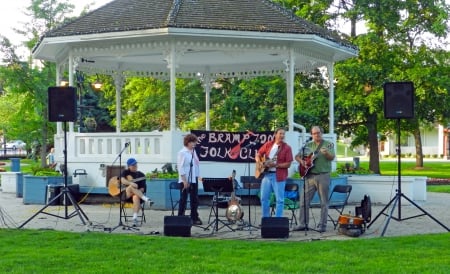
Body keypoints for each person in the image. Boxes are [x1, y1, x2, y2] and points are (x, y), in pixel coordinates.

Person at [294, 126, 335, 233]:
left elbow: (332, 157)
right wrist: (302, 162)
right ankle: (302, 224)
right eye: (314, 133)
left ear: (322, 133)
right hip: (309, 176)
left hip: (323, 175)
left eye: (318, 132)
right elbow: (297, 156)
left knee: (323, 202)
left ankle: (322, 225)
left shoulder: (328, 144)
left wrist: (326, 153)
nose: (317, 135)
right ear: (311, 134)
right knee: (303, 201)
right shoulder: (308, 145)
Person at [255, 127, 293, 218]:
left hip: (279, 176)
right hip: (267, 175)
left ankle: (277, 220)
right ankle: (266, 219)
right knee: (264, 198)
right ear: (275, 134)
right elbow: (258, 154)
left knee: (279, 200)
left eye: (283, 134)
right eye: (280, 133)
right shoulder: (268, 144)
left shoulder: (287, 148)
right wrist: (259, 162)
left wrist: (275, 165)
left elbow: (288, 164)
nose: (282, 136)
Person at [177, 133, 203, 225]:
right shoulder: (182, 153)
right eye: (192, 142)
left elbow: (196, 165)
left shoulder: (193, 152)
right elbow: (180, 167)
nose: (194, 144)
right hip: (185, 179)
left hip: (193, 178)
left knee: (194, 199)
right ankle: (180, 217)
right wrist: (184, 180)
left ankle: (194, 217)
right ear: (188, 142)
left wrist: (198, 176)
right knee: (183, 199)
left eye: (195, 142)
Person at [120, 158, 153, 226]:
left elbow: (142, 189)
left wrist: (135, 192)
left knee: (136, 197)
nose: (135, 166)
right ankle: (146, 199)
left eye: (135, 164)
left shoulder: (141, 175)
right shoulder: (125, 172)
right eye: (133, 165)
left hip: (137, 195)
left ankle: (134, 218)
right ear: (129, 166)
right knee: (131, 187)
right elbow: (122, 180)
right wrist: (131, 183)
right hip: (126, 195)